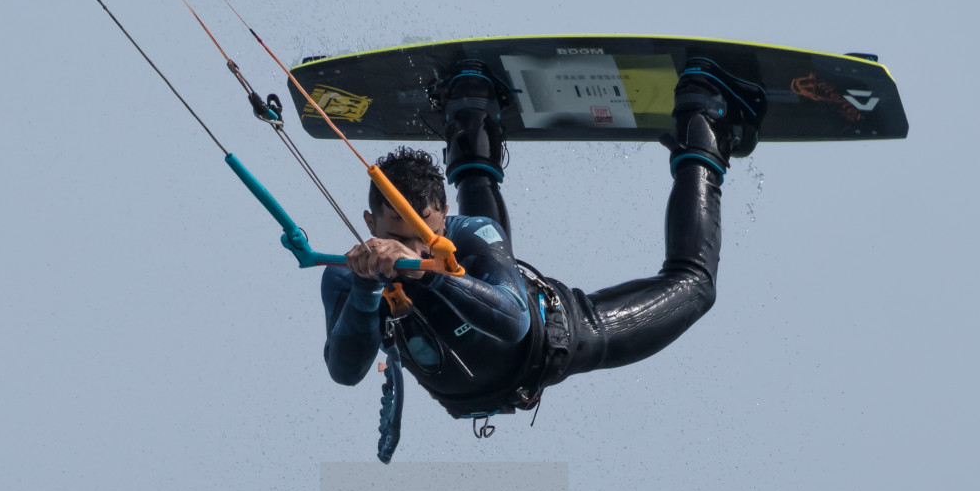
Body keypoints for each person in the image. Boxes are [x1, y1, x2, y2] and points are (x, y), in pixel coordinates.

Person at [320, 58, 766, 444]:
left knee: (695, 286)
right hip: (479, 386)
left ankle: (705, 123)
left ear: (445, 216)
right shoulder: (347, 274)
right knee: (464, 264)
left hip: (558, 335)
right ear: (369, 223)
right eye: (399, 236)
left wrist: (431, 273)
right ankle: (470, 114)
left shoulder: (470, 233)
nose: (413, 248)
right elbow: (345, 370)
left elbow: (513, 322)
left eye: (427, 234)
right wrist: (364, 290)